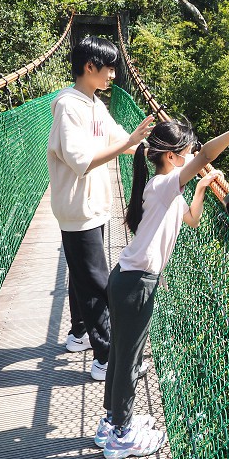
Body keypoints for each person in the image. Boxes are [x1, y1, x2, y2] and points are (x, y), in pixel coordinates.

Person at [97, 99, 229, 459]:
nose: (194, 154)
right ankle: (120, 434)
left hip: (128, 280)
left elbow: (192, 220)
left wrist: (199, 190)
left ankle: (112, 421)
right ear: (171, 156)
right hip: (136, 284)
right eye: (188, 149)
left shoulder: (166, 188)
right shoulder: (164, 184)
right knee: (129, 359)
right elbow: (205, 158)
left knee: (124, 354)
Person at [47, 36, 154, 381]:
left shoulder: (95, 103)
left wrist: (157, 149)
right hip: (78, 209)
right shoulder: (69, 105)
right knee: (96, 283)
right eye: (109, 67)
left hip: (92, 206)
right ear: (90, 67)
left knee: (83, 273)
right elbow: (81, 161)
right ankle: (106, 357)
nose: (113, 75)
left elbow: (120, 139)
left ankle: (79, 333)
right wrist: (129, 142)